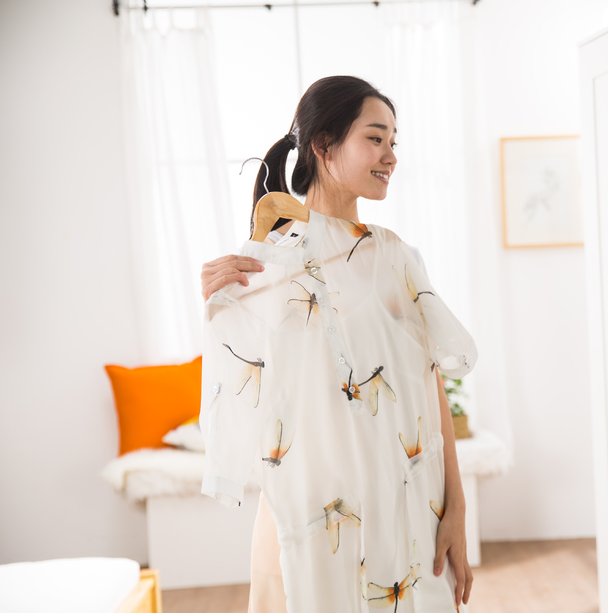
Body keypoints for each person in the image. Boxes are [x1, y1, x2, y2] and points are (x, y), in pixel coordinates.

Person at [199, 75, 474, 612]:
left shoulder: (397, 260)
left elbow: (429, 385)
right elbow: (240, 396)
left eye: (394, 141)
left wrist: (456, 511)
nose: (390, 155)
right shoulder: (261, 268)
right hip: (303, 525)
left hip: (406, 518)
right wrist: (218, 300)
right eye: (375, 138)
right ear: (324, 145)